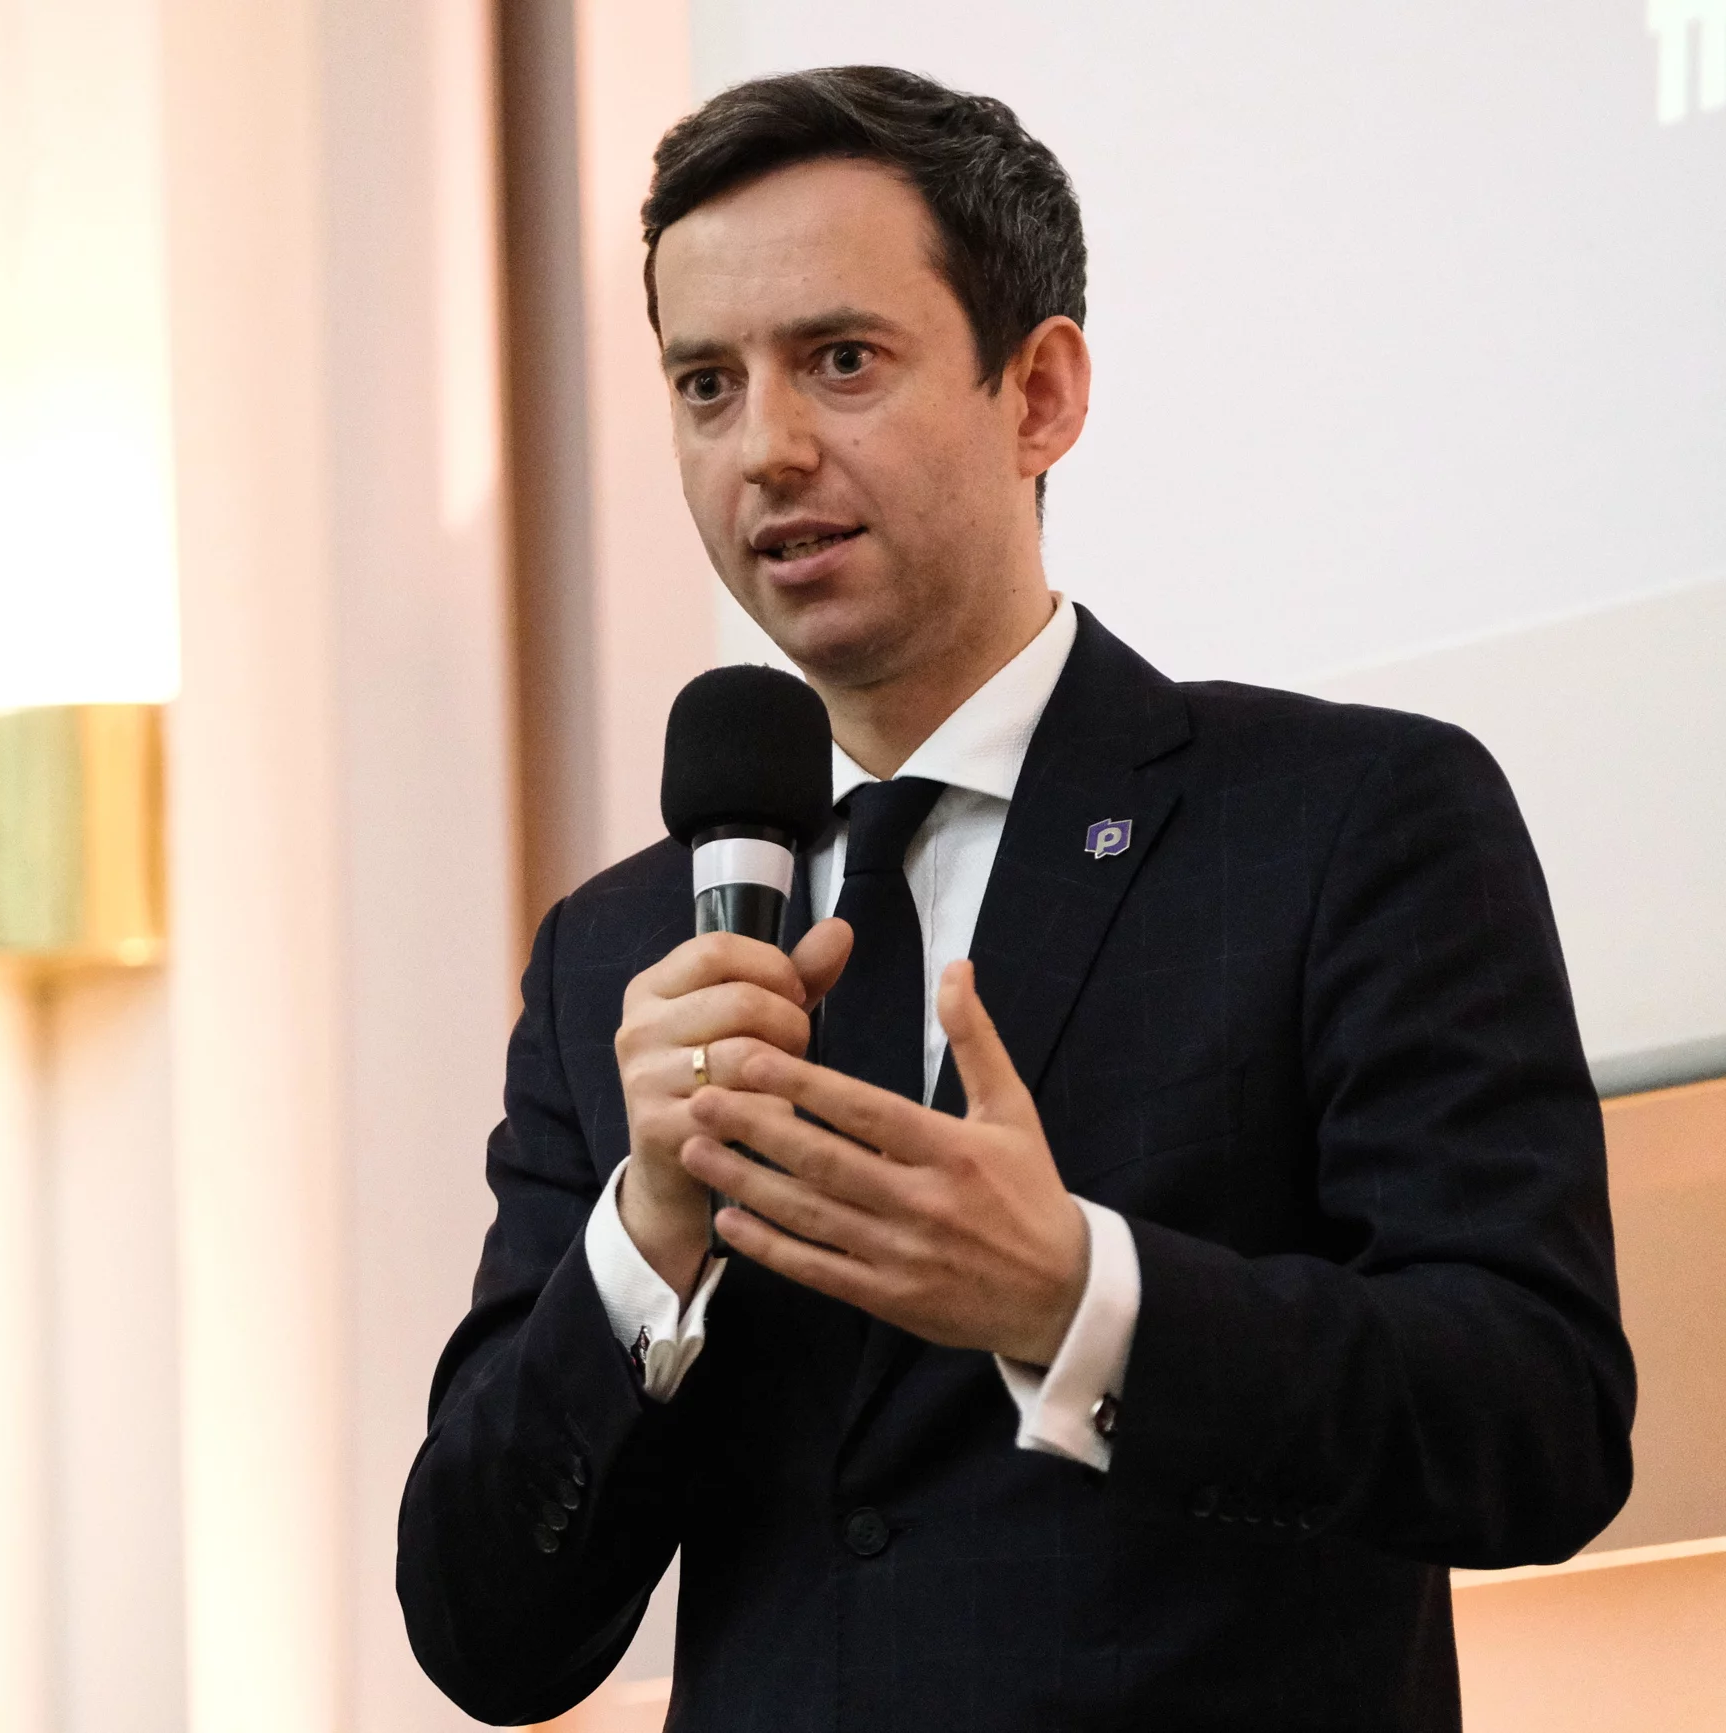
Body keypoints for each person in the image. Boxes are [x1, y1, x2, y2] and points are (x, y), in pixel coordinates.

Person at [397, 65, 1632, 1731]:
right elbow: (485, 1631)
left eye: (842, 360)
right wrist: (649, 1240)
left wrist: (1074, 1295)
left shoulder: (1348, 821)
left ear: (1039, 394)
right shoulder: (620, 958)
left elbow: (1538, 1424)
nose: (766, 449)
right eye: (706, 384)